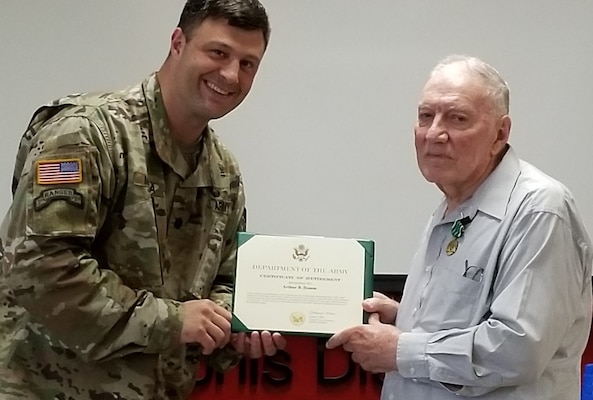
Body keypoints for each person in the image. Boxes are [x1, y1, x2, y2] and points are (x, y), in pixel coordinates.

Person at [0, 1, 286, 399]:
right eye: (218, 53)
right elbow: (41, 268)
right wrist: (172, 321)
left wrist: (234, 326)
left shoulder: (223, 170)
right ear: (178, 42)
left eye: (248, 64)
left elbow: (226, 277)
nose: (230, 75)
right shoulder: (86, 133)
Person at [327, 55, 593, 399]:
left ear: (500, 133)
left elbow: (518, 349)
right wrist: (401, 316)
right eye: (426, 116)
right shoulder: (454, 200)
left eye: (457, 118)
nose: (435, 133)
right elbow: (466, 316)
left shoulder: (539, 209)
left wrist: (401, 350)